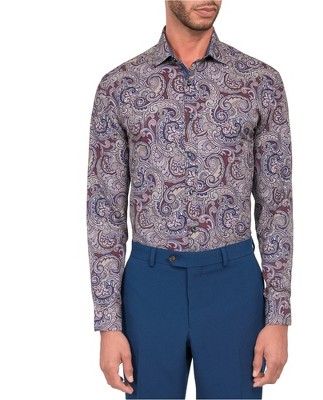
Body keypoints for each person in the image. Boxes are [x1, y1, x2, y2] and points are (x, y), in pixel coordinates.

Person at [86, 1, 293, 398]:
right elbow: (104, 211)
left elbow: (276, 205)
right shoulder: (120, 87)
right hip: (150, 290)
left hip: (233, 287)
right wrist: (108, 324)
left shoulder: (260, 82)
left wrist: (278, 316)